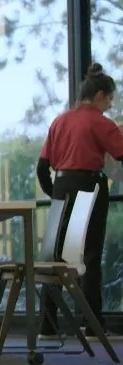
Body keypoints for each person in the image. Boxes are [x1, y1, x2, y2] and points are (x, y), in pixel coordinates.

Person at [36, 62, 123, 342]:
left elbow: (41, 167)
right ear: (99, 94)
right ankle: (92, 325)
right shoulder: (100, 122)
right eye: (109, 98)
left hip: (62, 188)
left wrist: (56, 194)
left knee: (55, 257)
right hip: (88, 187)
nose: (110, 104)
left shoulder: (60, 121)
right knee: (89, 256)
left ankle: (48, 325)